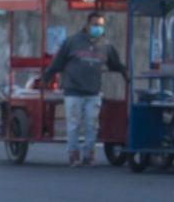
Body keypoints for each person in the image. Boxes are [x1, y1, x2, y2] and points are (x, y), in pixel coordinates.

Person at [43, 12, 128, 167]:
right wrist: (46, 78)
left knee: (92, 125)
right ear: (87, 25)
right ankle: (73, 154)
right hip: (73, 91)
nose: (98, 28)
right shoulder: (71, 42)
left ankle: (88, 155)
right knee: (73, 125)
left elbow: (115, 63)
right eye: (95, 25)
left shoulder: (106, 45)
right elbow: (57, 62)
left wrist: (125, 73)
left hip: (93, 92)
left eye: (101, 25)